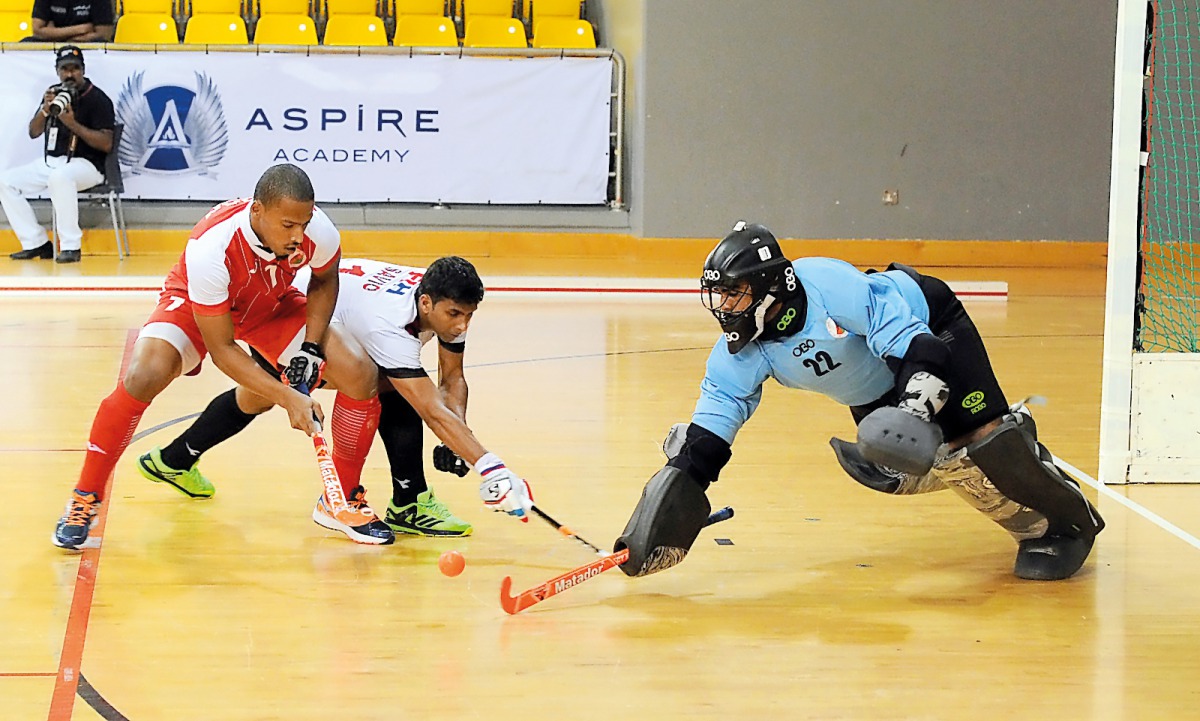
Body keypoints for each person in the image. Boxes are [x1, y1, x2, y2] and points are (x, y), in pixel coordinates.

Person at [614, 221, 1105, 582]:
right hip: (871, 383)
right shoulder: (741, 353)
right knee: (909, 464)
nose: (724, 307)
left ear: (768, 289)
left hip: (930, 331)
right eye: (719, 295)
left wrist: (916, 409)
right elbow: (712, 428)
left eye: (735, 294)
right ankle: (1018, 474)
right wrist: (676, 494)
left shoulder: (831, 286)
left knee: (980, 443)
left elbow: (918, 345)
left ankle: (1068, 522)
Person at [52, 163, 394, 550]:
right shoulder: (211, 248)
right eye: (288, 226)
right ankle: (86, 495)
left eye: (304, 223)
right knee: (145, 372)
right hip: (200, 307)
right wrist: (288, 397)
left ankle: (341, 499)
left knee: (359, 372)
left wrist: (313, 348)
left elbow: (324, 279)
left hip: (269, 304)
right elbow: (223, 350)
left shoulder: (317, 231)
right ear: (257, 211)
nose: (299, 236)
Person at [135, 256, 536, 536]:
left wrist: (460, 432)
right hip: (294, 314)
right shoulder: (390, 326)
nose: (462, 324)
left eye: (469, 316)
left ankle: (173, 459)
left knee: (258, 395)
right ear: (427, 303)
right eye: (456, 316)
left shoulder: (444, 299)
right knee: (388, 384)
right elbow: (430, 407)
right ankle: (402, 499)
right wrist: (491, 468)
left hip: (334, 317)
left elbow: (453, 379)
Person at [1, 46, 114, 264]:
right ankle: (36, 243)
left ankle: (71, 246)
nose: (70, 74)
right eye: (65, 69)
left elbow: (107, 144)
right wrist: (45, 110)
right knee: (5, 181)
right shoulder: (54, 92)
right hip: (53, 162)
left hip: (88, 165)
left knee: (60, 177)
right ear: (57, 71)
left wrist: (72, 124)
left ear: (83, 70)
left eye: (75, 69)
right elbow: (34, 132)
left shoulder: (97, 99)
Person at [28, 0, 115, 42]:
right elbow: (37, 31)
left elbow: (104, 34)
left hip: (87, 46)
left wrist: (55, 34)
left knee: (100, 42)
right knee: (27, 42)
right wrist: (81, 29)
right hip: (54, 44)